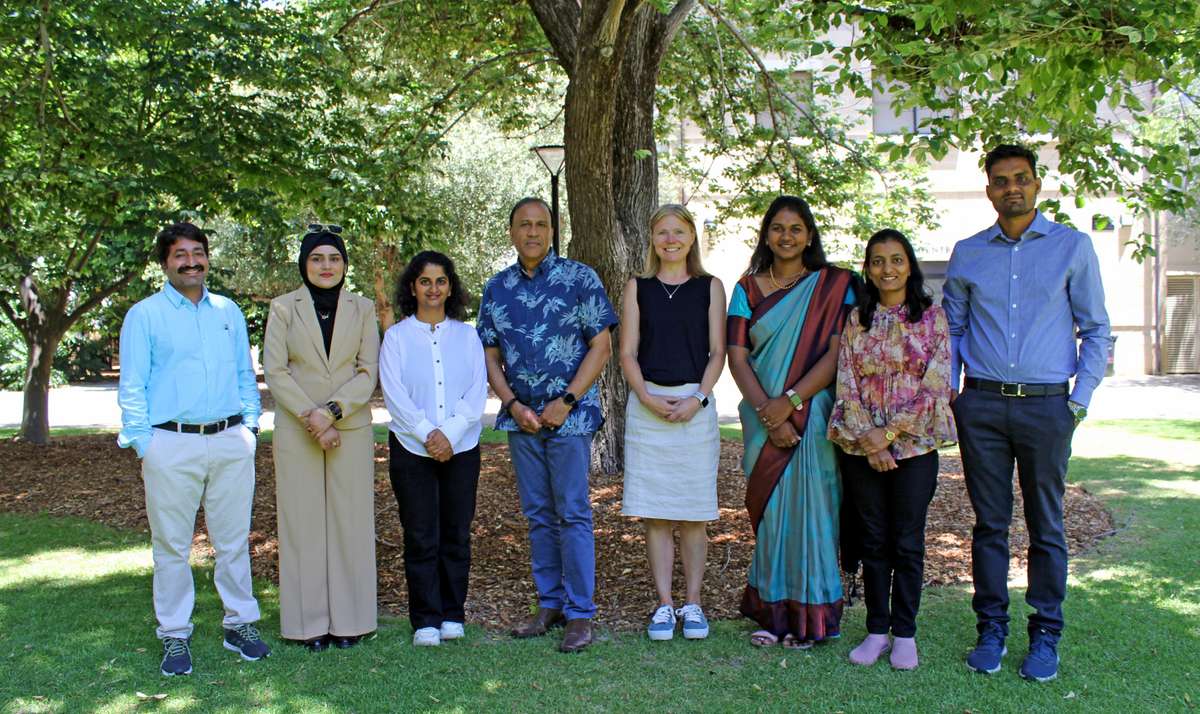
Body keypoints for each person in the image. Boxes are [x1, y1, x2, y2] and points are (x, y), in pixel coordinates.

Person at [944, 144, 1111, 682]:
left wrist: (1078, 402)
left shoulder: (1073, 246)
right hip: (982, 405)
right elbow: (952, 330)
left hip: (1047, 407)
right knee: (990, 525)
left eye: (1021, 178)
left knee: (1046, 524)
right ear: (989, 190)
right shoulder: (968, 252)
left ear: (1037, 184)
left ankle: (1045, 635)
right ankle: (991, 629)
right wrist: (953, 394)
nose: (1011, 187)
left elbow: (1097, 330)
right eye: (1001, 180)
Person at [117, 222, 269, 676]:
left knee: (233, 540)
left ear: (206, 258)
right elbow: (132, 385)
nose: (190, 262)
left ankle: (239, 625)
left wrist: (250, 428)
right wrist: (144, 444)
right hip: (169, 443)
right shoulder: (145, 315)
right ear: (165, 263)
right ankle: (174, 633)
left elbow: (244, 374)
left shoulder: (228, 311)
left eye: (197, 252)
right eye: (180, 254)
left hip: (230, 440)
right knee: (171, 544)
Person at [476, 197, 617, 653]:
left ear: (553, 231)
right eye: (524, 224)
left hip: (569, 419)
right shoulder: (497, 288)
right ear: (512, 232)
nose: (532, 231)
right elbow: (490, 356)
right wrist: (512, 404)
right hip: (522, 420)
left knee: (572, 512)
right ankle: (550, 603)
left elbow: (601, 347)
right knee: (538, 514)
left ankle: (580, 613)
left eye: (541, 224)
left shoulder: (580, 278)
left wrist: (567, 401)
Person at [727, 196, 856, 650]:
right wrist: (769, 411)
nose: (786, 236)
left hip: (813, 416)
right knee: (774, 515)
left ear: (809, 235)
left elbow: (839, 352)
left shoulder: (836, 285)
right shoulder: (746, 289)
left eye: (796, 228)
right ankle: (771, 613)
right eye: (778, 228)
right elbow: (737, 357)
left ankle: (813, 616)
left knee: (814, 511)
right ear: (766, 235)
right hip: (763, 420)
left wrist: (792, 401)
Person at [827, 229, 957, 670]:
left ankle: (905, 634)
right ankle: (876, 632)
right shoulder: (856, 319)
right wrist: (870, 438)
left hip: (915, 448)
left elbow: (936, 385)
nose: (888, 269)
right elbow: (846, 382)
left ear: (909, 265)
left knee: (907, 541)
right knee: (874, 541)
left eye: (896, 259)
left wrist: (890, 435)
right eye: (878, 261)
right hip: (862, 448)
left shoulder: (932, 318)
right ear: (868, 269)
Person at [263, 225, 380, 652]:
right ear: (304, 263)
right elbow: (275, 370)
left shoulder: (363, 308)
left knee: (351, 522)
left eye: (334, 258)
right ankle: (306, 624)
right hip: (297, 431)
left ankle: (351, 621)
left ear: (345, 265)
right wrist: (312, 418)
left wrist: (330, 413)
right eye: (317, 258)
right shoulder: (282, 307)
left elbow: (368, 371)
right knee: (302, 522)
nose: (326, 266)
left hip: (349, 428)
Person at [618, 204, 727, 641]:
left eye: (678, 231)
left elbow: (718, 352)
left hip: (694, 409)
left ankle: (693, 603)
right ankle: (665, 605)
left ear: (691, 237)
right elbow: (627, 351)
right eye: (662, 232)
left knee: (694, 514)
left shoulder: (710, 287)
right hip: (647, 410)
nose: (670, 239)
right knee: (657, 515)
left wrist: (698, 398)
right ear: (652, 238)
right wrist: (645, 396)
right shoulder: (637, 287)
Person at [380, 251, 487, 647]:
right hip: (411, 449)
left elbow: (476, 392)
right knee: (420, 535)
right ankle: (426, 619)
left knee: (456, 534)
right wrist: (429, 434)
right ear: (412, 287)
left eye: (441, 280)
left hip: (462, 448)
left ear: (450, 287)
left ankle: (452, 615)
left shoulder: (468, 336)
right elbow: (395, 395)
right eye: (425, 281)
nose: (433, 288)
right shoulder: (396, 337)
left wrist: (450, 434)